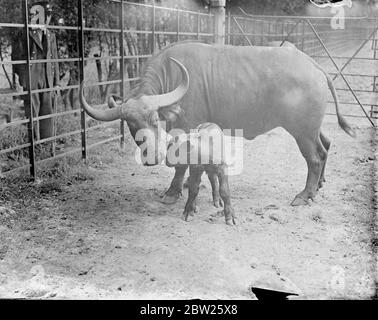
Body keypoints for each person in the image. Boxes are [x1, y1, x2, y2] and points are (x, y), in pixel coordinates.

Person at [12, 0, 60, 141]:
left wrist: (56, 82)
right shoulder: (25, 34)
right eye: (46, 16)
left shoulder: (51, 36)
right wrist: (24, 80)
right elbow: (16, 57)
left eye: (49, 16)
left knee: (48, 112)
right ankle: (34, 145)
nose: (48, 19)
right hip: (32, 79)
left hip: (48, 78)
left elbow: (55, 60)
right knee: (32, 113)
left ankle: (47, 143)